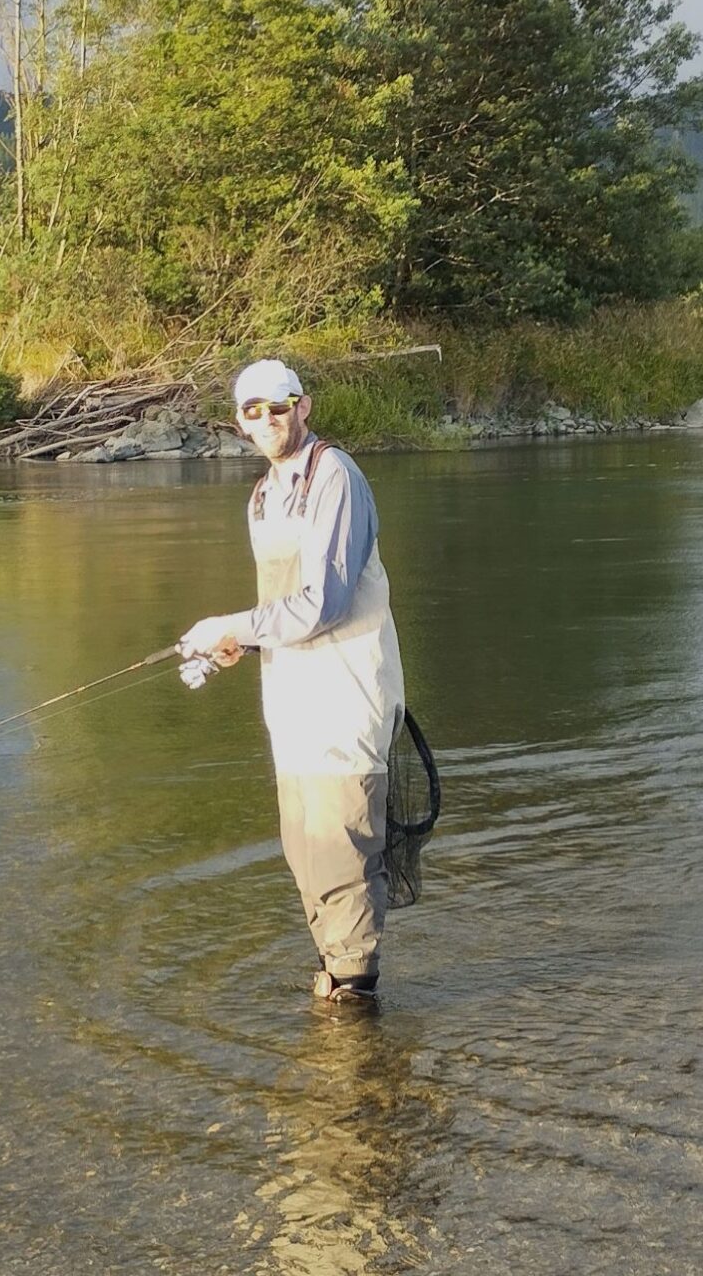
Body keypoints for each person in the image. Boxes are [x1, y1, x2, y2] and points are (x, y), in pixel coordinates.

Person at [179, 359, 406, 1008]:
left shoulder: (336, 475)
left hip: (346, 697)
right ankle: (337, 996)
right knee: (306, 856)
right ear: (240, 423)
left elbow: (327, 601)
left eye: (279, 407)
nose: (269, 420)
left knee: (343, 860)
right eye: (254, 411)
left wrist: (231, 621)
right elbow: (281, 609)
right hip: (292, 705)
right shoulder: (261, 496)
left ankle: (356, 1028)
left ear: (302, 407)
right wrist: (238, 641)